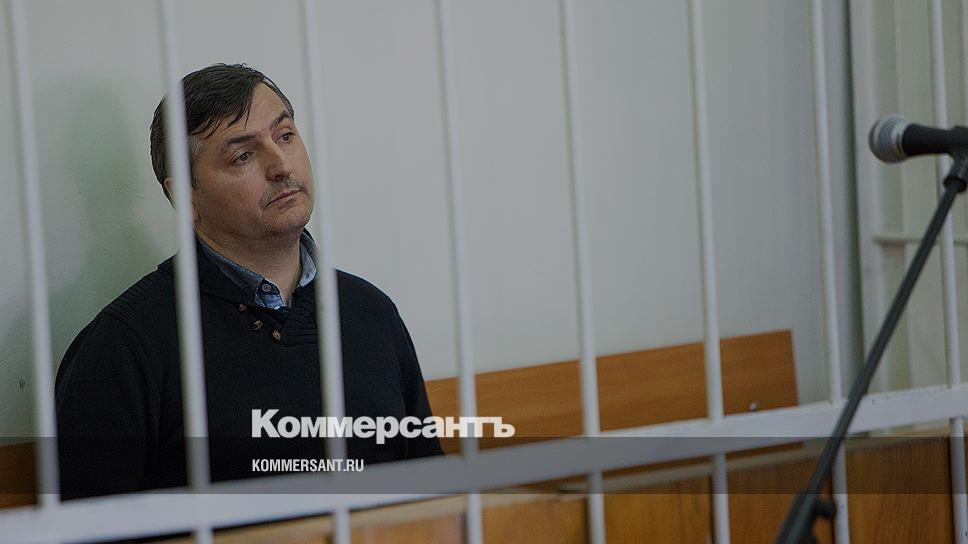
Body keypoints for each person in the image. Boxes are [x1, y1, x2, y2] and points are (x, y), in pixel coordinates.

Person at [54, 63, 442, 500]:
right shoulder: (123, 347)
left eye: (285, 136)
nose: (281, 166)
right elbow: (90, 524)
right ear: (186, 197)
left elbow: (433, 496)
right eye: (243, 156)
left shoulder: (370, 312)